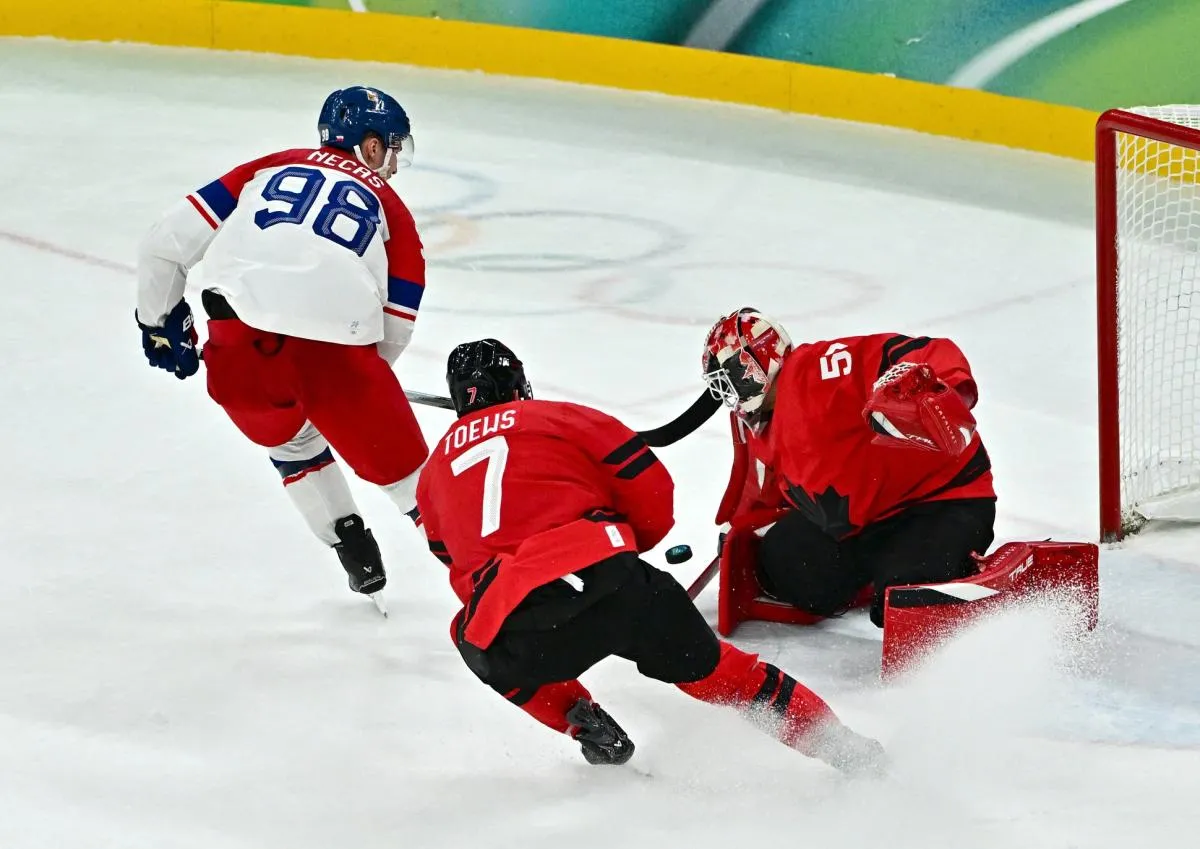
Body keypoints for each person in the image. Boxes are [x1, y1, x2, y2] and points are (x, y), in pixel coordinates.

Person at [415, 338, 885, 773]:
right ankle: (842, 749)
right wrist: (617, 545)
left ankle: (585, 724)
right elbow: (653, 494)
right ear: (519, 384)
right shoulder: (561, 418)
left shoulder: (433, 474)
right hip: (610, 580)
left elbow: (455, 562)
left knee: (471, 636)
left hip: (517, 622)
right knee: (721, 673)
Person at [134, 86, 429, 607]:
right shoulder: (394, 210)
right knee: (414, 487)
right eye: (393, 148)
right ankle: (491, 575)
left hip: (240, 351)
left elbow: (163, 245)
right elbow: (396, 328)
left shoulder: (268, 166)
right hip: (340, 360)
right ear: (371, 146)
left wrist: (156, 322)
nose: (395, 165)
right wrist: (358, 392)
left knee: (291, 444)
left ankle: (349, 545)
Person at [701, 307, 996, 627]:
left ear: (755, 363)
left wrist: (946, 391)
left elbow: (928, 350)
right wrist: (740, 529)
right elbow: (761, 490)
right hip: (865, 523)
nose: (728, 393)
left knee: (906, 604)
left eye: (729, 377)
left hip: (942, 502)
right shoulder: (759, 426)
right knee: (786, 565)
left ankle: (964, 574)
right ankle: (884, 572)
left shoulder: (816, 369)